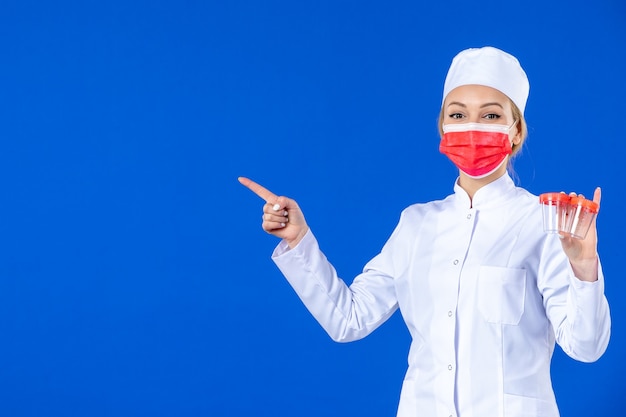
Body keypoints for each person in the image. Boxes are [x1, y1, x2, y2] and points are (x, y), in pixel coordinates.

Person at [238, 46, 611, 417]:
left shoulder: (543, 222)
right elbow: (348, 320)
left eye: (491, 114)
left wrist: (584, 265)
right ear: (444, 128)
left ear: (515, 133)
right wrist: (299, 241)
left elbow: (586, 346)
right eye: (458, 114)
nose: (472, 126)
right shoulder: (416, 224)